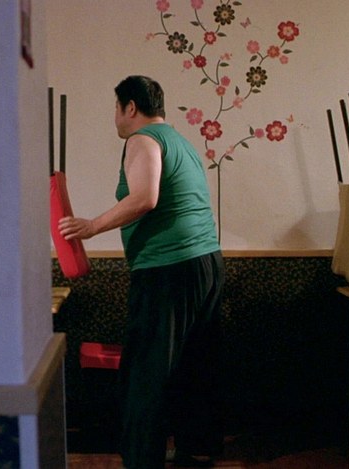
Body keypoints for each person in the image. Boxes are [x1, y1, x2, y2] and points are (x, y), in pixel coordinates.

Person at [58, 75, 225, 468]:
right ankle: (193, 451)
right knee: (192, 365)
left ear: (130, 107)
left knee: (147, 371)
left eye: (116, 109)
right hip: (206, 263)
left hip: (168, 269)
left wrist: (91, 226)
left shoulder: (142, 139)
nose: (115, 117)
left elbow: (145, 197)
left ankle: (141, 461)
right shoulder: (180, 141)